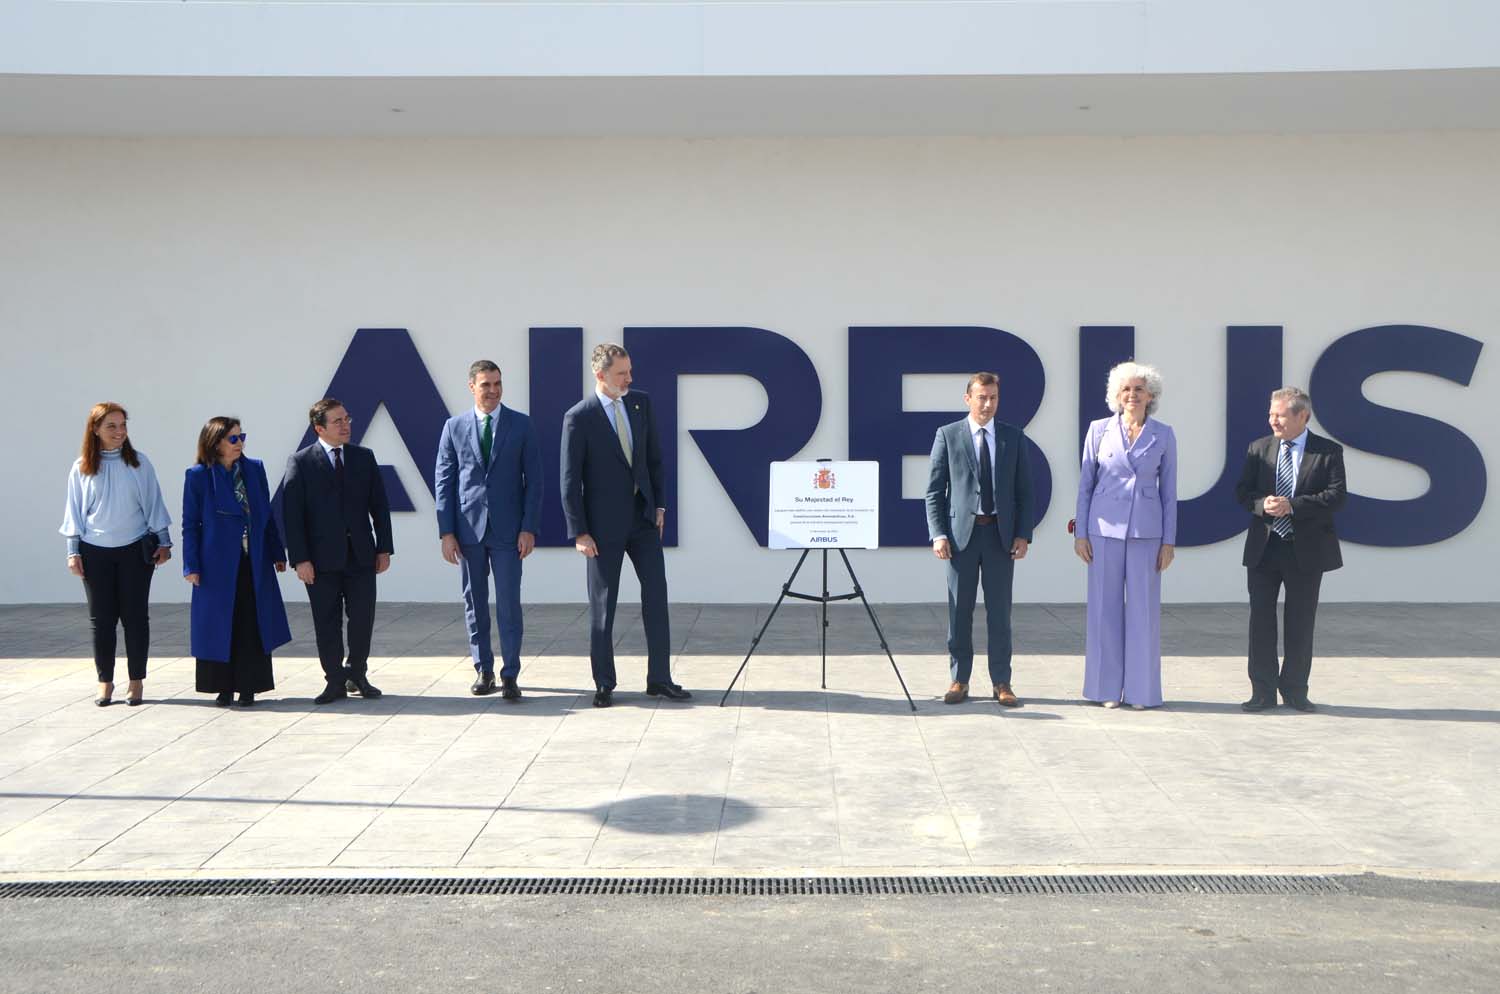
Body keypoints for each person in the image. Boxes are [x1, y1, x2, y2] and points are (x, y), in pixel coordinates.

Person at [561, 343, 687, 708]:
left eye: (630, 371)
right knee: (603, 606)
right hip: (601, 528)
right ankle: (604, 683)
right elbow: (569, 481)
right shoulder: (579, 417)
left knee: (657, 598)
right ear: (600, 375)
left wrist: (659, 503)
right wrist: (579, 532)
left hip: (644, 519)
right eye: (622, 374)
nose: (629, 379)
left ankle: (659, 679)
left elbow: (654, 459)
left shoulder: (640, 403)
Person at [925, 371, 1034, 707]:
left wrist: (1023, 534)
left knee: (1000, 613)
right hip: (961, 539)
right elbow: (934, 491)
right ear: (968, 398)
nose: (988, 404)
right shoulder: (948, 435)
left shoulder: (1013, 438)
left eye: (994, 398)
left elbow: (1025, 493)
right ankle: (960, 679)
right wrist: (938, 534)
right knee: (960, 612)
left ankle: (1002, 681)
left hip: (1000, 538)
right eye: (982, 397)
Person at [1234, 386, 1347, 713]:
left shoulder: (1327, 451)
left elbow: (1337, 496)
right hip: (1264, 549)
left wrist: (1293, 505)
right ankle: (1262, 691)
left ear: (1302, 416)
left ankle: (1295, 690)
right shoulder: (1259, 448)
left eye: (1280, 415)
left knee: (1300, 622)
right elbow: (1243, 492)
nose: (1273, 421)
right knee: (1261, 622)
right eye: (1271, 414)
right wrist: (1262, 504)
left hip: (1305, 550)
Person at [435, 361, 543, 699]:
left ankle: (510, 673)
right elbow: (445, 482)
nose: (493, 390)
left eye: (497, 383)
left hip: (509, 532)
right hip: (468, 531)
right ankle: (483, 670)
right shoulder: (454, 427)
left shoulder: (521, 425)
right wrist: (446, 532)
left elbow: (535, 482)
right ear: (472, 387)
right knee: (474, 602)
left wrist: (529, 528)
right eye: (486, 384)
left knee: (509, 603)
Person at [1074, 362, 1178, 710]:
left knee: (1143, 614)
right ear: (1116, 396)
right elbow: (1085, 485)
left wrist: (1169, 541)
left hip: (1146, 532)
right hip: (1102, 531)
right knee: (1103, 610)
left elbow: (1169, 493)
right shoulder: (1098, 430)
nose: (1132, 395)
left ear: (1151, 395)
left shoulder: (1163, 434)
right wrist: (1082, 533)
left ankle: (1141, 692)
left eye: (1138, 389)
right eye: (1126, 390)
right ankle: (1105, 690)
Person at [59, 402, 173, 707]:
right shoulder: (81, 466)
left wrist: (164, 542)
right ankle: (104, 683)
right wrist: (73, 551)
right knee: (102, 620)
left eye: (123, 425)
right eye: (111, 426)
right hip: (95, 552)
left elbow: (154, 503)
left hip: (135, 551)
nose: (119, 432)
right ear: (95, 429)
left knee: (135, 618)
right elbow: (74, 512)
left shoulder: (140, 464)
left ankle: (136, 682)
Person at [282, 397, 394, 706]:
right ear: (319, 428)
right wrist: (300, 559)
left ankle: (357, 673)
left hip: (361, 555)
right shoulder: (301, 462)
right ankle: (334, 679)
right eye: (338, 421)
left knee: (362, 619)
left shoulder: (363, 457)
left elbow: (379, 507)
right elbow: (293, 515)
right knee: (326, 621)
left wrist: (384, 548)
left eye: (347, 419)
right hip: (320, 560)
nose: (346, 425)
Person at [182, 417, 291, 707]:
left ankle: (249, 687)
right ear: (215, 443)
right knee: (220, 624)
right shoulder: (198, 476)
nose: (239, 443)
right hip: (215, 564)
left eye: (241, 436)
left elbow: (266, 515)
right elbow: (190, 524)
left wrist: (277, 552)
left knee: (250, 623)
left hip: (252, 560)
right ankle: (222, 687)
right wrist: (191, 565)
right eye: (232, 438)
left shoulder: (254, 469)